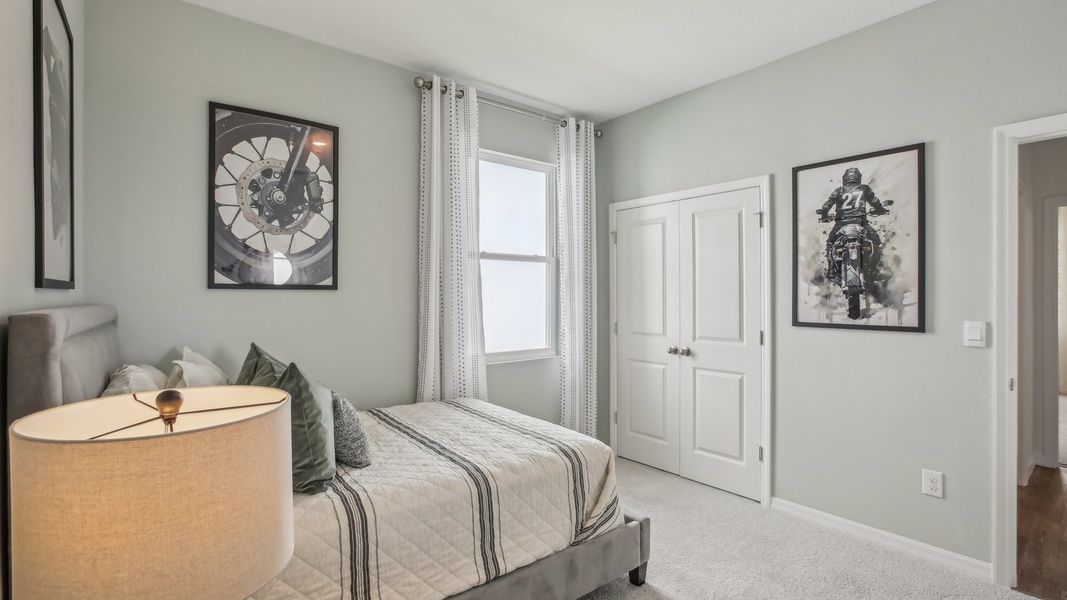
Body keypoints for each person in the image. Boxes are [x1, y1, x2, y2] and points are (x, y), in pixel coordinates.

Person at [816, 167, 889, 279]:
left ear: (845, 178)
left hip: (841, 224)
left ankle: (831, 269)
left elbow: (827, 205)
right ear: (858, 177)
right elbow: (875, 202)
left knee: (830, 243)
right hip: (861, 223)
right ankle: (874, 269)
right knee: (876, 241)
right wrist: (880, 210)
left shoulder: (839, 190)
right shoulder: (864, 188)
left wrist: (824, 215)